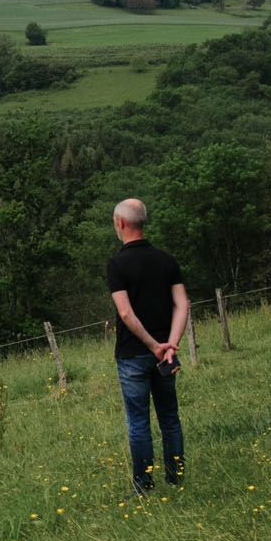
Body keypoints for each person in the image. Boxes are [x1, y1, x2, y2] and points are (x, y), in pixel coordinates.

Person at [105, 198, 190, 496]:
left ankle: (143, 484)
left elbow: (125, 313)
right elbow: (183, 304)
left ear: (120, 223)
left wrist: (154, 346)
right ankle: (176, 478)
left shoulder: (117, 264)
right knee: (170, 417)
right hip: (165, 354)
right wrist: (171, 345)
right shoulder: (166, 260)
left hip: (133, 354)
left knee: (138, 421)